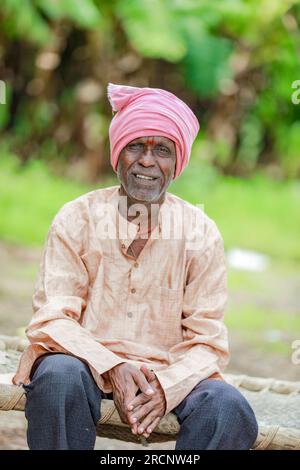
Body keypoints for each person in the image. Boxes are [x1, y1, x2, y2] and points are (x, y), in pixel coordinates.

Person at [13, 83, 258, 450]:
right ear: (117, 156)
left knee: (228, 408)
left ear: (177, 162)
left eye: (161, 149)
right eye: (135, 146)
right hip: (87, 367)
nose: (147, 161)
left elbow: (207, 342)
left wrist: (166, 385)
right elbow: (52, 318)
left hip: (167, 372)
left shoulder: (199, 232)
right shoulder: (76, 219)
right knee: (58, 376)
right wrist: (111, 364)